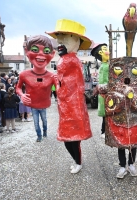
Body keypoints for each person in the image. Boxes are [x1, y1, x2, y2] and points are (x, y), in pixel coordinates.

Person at [46, 19, 92, 174]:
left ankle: (78, 162)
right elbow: (62, 82)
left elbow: (73, 85)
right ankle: (77, 161)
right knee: (68, 139)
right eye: (59, 38)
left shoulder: (72, 60)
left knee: (72, 139)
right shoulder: (67, 59)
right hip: (66, 105)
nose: (59, 42)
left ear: (76, 41)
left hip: (72, 105)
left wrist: (54, 82)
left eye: (64, 38)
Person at [16, 35, 57, 142]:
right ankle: (39, 136)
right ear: (27, 51)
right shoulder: (24, 74)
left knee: (44, 121)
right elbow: (18, 88)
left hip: (43, 105)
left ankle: (45, 132)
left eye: (46, 51)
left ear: (52, 54)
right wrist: (22, 95)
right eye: (35, 50)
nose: (41, 54)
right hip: (33, 105)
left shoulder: (52, 76)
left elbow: (60, 90)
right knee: (35, 122)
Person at [91, 43, 109, 138]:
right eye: (106, 49)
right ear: (101, 52)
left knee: (106, 114)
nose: (108, 51)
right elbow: (104, 81)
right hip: (105, 93)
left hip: (104, 93)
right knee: (106, 114)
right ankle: (104, 131)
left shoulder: (104, 65)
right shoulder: (105, 66)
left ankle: (104, 130)